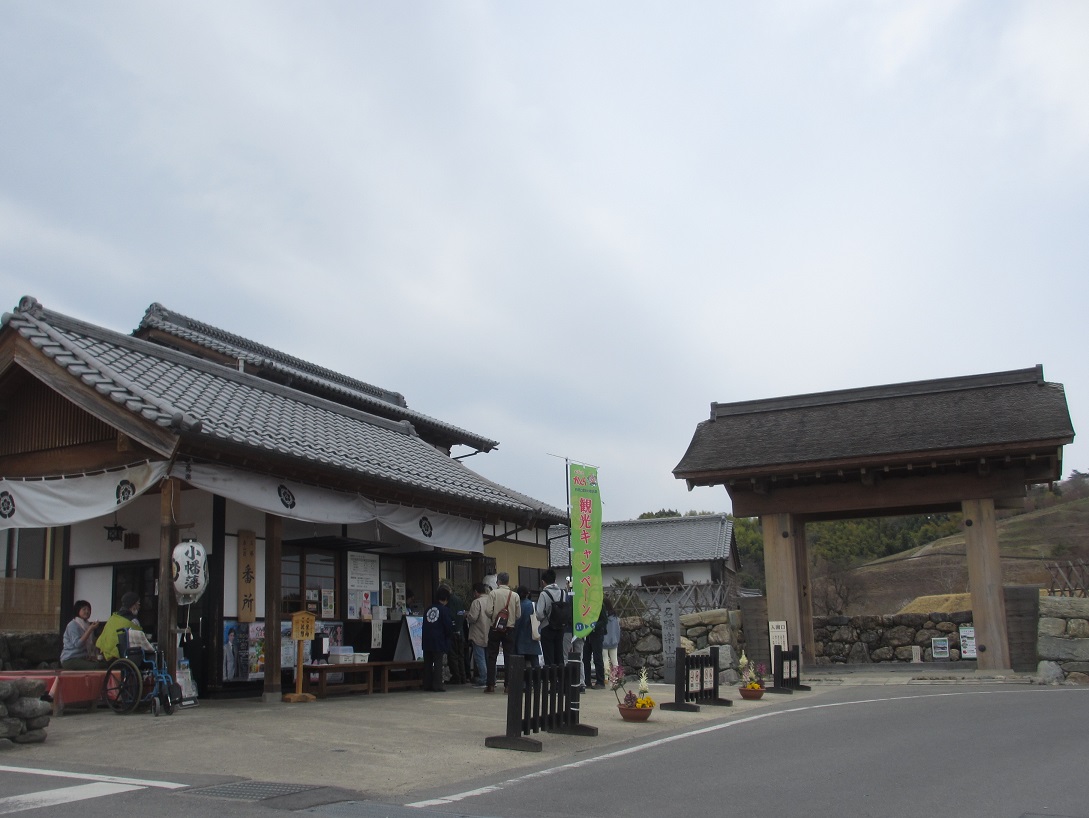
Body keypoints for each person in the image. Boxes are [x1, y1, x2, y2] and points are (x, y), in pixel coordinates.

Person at [484, 572, 520, 693]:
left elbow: (488, 611)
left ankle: (490, 685)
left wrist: (495, 617)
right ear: (508, 581)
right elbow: (518, 614)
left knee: (492, 656)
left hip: (495, 628)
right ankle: (508, 686)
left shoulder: (493, 593)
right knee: (508, 656)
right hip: (509, 629)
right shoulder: (515, 595)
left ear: (498, 582)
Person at [421, 587, 454, 692]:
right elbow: (448, 626)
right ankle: (437, 685)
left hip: (427, 639)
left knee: (427, 663)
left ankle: (427, 684)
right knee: (438, 662)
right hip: (439, 639)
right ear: (446, 599)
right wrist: (448, 637)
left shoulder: (428, 609)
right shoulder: (444, 610)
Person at [95, 591, 143, 662]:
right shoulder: (133, 621)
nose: (139, 606)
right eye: (138, 604)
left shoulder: (113, 618)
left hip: (105, 655)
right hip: (120, 656)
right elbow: (139, 640)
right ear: (133, 605)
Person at [60, 600, 106, 669]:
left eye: (88, 609)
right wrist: (90, 629)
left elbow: (92, 643)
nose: (87, 611)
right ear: (78, 611)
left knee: (104, 664)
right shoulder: (73, 625)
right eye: (84, 609)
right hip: (70, 659)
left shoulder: (87, 624)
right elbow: (78, 644)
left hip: (83, 658)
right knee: (96, 666)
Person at [535, 569, 568, 666]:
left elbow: (539, 614)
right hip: (561, 627)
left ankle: (551, 679)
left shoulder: (544, 594)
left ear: (543, 581)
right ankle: (561, 678)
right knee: (559, 654)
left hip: (547, 627)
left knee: (549, 657)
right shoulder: (563, 593)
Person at [465, 582, 491, 688]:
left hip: (478, 633)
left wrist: (467, 615)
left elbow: (473, 617)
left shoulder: (477, 602)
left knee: (480, 658)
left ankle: (483, 679)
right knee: (489, 658)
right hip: (489, 632)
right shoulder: (491, 600)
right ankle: (491, 678)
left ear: (476, 592)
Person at [442, 582, 468, 684]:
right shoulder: (459, 600)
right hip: (460, 631)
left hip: (452, 631)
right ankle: (463, 677)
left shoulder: (449, 601)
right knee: (461, 656)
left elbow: (450, 616)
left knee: (452, 656)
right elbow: (461, 615)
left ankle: (456, 677)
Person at [512, 585, 542, 667]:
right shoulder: (532, 605)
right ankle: (537, 678)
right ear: (527, 594)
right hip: (532, 637)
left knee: (520, 665)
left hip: (519, 638)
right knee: (534, 662)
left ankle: (524, 679)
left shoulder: (516, 606)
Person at [583, 601, 607, 689]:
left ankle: (600, 681)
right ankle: (587, 681)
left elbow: (604, 620)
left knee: (597, 658)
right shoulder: (585, 604)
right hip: (587, 633)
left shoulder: (599, 604)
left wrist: (593, 626)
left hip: (597, 634)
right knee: (585, 658)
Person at [601, 596, 621, 676]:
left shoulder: (603, 616)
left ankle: (606, 677)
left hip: (604, 641)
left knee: (605, 659)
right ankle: (616, 677)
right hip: (614, 641)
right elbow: (618, 629)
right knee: (614, 660)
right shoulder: (615, 617)